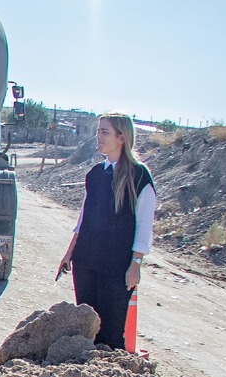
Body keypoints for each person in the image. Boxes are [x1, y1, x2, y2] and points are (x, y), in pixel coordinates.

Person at [57, 112, 156, 349]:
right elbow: (83, 219)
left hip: (116, 266)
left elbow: (144, 225)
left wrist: (136, 264)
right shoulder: (94, 174)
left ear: (121, 137)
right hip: (86, 262)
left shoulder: (139, 175)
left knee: (111, 335)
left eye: (105, 132)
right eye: (98, 131)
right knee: (88, 328)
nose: (98, 136)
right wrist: (69, 253)